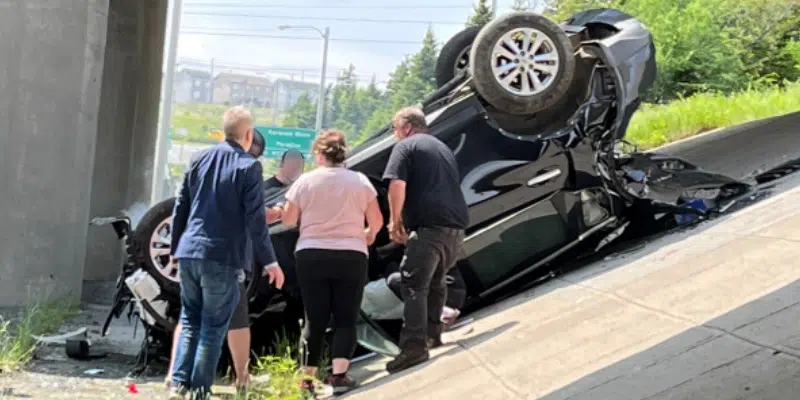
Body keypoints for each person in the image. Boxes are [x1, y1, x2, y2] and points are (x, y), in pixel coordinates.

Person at [168, 106, 285, 400]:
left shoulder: (198, 158)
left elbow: (181, 206)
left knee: (190, 319)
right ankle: (199, 390)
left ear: (224, 132)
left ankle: (178, 385)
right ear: (248, 135)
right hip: (223, 256)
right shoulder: (249, 166)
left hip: (189, 252)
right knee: (212, 326)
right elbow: (256, 220)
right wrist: (271, 261)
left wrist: (174, 249)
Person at [281, 130, 383, 395]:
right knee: (346, 318)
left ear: (319, 154)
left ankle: (306, 381)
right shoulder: (360, 181)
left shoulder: (305, 181)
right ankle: (339, 377)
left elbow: (288, 220)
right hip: (351, 254)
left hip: (311, 254)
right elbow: (377, 221)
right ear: (343, 154)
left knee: (314, 319)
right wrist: (367, 236)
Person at [382, 106, 469, 374]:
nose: (395, 134)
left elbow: (396, 184)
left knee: (413, 284)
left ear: (406, 127)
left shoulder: (405, 147)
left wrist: (395, 222)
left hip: (429, 226)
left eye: (395, 128)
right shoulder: (440, 147)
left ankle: (414, 347)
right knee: (435, 281)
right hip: (455, 227)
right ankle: (433, 334)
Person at [264, 149, 305, 223]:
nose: (296, 169)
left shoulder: (299, 189)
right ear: (281, 165)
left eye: (300, 166)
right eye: (292, 165)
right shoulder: (261, 188)